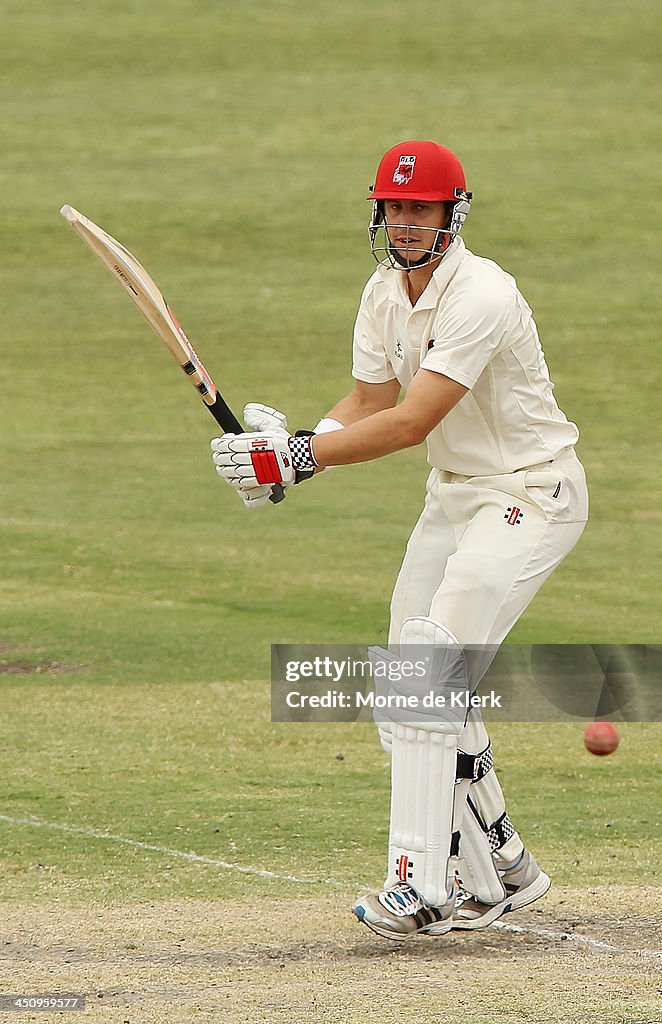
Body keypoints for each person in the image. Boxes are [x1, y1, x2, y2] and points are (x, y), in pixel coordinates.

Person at [210, 140, 589, 940]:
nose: (407, 223)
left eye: (422, 209)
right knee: (403, 695)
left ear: (453, 213)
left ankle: (420, 886)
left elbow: (412, 423)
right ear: (378, 212)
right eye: (395, 207)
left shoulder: (480, 293)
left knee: (428, 661)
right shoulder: (384, 290)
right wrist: (290, 456)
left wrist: (300, 454)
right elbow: (369, 397)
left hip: (527, 493)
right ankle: (503, 866)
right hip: (453, 498)